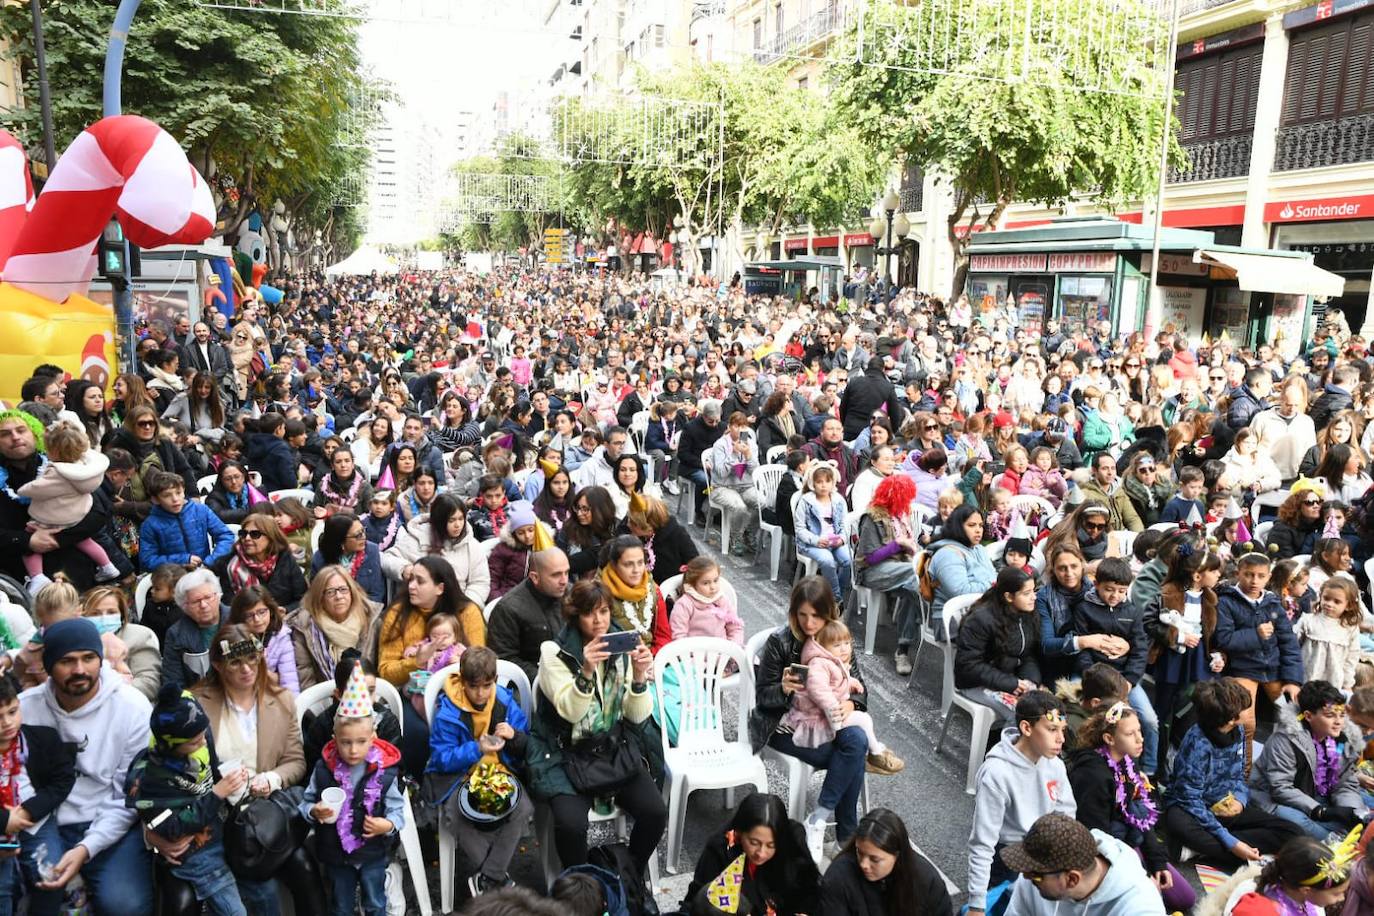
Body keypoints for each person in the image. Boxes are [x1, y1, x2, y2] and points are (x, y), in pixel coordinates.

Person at [526, 579, 666, 879]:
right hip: (565, 752)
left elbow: (636, 717)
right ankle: (583, 885)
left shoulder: (620, 643)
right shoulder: (554, 653)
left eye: (603, 611)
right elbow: (571, 711)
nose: (599, 620)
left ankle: (627, 874)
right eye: (590, 613)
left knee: (655, 812)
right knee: (571, 825)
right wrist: (587, 670)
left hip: (611, 748)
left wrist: (640, 678)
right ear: (575, 616)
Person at [18, 617, 155, 916]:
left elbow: (127, 795)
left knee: (125, 905)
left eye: (88, 658)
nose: (79, 670)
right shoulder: (24, 709)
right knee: (39, 896)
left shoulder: (132, 708)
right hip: (43, 821)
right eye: (67, 661)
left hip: (110, 819)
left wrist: (86, 848)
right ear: (49, 664)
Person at [188, 624, 318, 914]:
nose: (247, 669)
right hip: (219, 814)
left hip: (267, 812)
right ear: (219, 666)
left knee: (305, 869)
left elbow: (296, 761)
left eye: (252, 659)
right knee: (265, 892)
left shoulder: (281, 699)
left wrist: (272, 778)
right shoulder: (197, 704)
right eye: (235, 662)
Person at [749, 577, 870, 858]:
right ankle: (845, 836)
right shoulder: (779, 641)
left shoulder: (835, 637)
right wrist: (783, 690)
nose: (809, 623)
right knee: (853, 754)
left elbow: (861, 685)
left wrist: (853, 704)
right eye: (801, 615)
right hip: (785, 727)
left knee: (855, 741)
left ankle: (819, 819)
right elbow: (762, 698)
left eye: (816, 615)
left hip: (829, 720)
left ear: (829, 612)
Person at [124, 684, 248, 916]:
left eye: (203, 735)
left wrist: (228, 779)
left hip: (220, 837)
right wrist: (217, 794)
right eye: (194, 741)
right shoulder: (153, 779)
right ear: (171, 745)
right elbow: (173, 828)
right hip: (196, 856)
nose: (202, 743)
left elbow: (209, 771)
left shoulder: (196, 739)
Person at [424, 645, 534, 896]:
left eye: (486, 686)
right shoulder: (448, 711)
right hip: (459, 777)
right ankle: (497, 881)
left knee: (522, 807)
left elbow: (526, 742)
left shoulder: (505, 702)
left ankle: (489, 878)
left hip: (499, 772)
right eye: (473, 686)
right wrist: (476, 748)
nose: (480, 693)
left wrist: (514, 735)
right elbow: (441, 759)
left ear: (494, 681)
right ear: (463, 683)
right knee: (458, 814)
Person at [300, 661, 405, 916]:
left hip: (372, 854)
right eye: (346, 742)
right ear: (334, 739)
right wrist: (315, 811)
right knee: (341, 906)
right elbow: (305, 802)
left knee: (376, 903)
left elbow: (398, 810)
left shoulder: (385, 772)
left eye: (361, 742)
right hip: (335, 854)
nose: (353, 749)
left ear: (373, 738)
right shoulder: (324, 769)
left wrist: (387, 825)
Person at [1067, 702, 1195, 912]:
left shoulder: (1126, 762)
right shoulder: (1093, 776)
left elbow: (1140, 814)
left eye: (1139, 731)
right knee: (1150, 900)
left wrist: (1157, 863)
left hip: (1129, 840)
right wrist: (1141, 881)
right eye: (1130, 733)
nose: (1140, 738)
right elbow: (1097, 840)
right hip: (1105, 853)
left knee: (1185, 899)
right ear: (1109, 739)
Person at [1161, 678, 1302, 866]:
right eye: (1244, 707)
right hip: (1196, 811)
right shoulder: (1197, 743)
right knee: (1177, 822)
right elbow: (1189, 799)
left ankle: (1197, 850)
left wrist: (1239, 800)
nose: (1249, 710)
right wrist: (1231, 842)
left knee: (1293, 832)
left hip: (1228, 807)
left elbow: (1239, 776)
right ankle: (1232, 850)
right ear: (1230, 718)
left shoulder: (1240, 731)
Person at [965, 691, 1077, 916]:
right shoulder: (997, 773)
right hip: (1007, 859)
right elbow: (982, 843)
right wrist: (977, 905)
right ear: (1026, 728)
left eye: (1062, 731)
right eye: (1052, 730)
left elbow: (1066, 813)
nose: (1061, 739)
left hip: (1043, 854)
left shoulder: (1054, 764)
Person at [376, 554, 485, 763]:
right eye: (411, 579)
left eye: (420, 581)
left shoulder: (468, 612)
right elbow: (386, 671)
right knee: (418, 732)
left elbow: (480, 662)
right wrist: (415, 662)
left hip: (461, 690)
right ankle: (421, 784)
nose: (411, 586)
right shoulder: (399, 613)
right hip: (414, 692)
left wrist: (458, 663)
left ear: (440, 588)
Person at [1214, 553, 1305, 774]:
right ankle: (1241, 777)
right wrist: (1256, 634)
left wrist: (1293, 680)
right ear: (1238, 574)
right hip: (1243, 669)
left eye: (1260, 576)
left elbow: (1288, 643)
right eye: (1248, 575)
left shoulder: (1273, 603)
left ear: (1268, 577)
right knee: (1245, 723)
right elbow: (1223, 639)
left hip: (1273, 671)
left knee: (1296, 716)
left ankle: (1289, 772)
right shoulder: (1226, 602)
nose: (1254, 581)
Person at [0, 410, 111, 589]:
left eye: (21, 430)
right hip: (20, 579)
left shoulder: (68, 464)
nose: (15, 437)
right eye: (4, 434)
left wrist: (59, 538)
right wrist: (27, 541)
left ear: (35, 433)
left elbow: (99, 513)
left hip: (75, 570)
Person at [784, 617, 904, 775]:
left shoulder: (833, 661)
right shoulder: (818, 664)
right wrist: (835, 715)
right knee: (864, 720)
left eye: (847, 643)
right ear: (823, 647)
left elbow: (837, 681)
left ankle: (873, 750)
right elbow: (820, 691)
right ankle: (875, 754)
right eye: (837, 645)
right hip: (819, 718)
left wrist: (851, 682)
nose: (844, 649)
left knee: (861, 725)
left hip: (828, 713)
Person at [1250, 679, 1367, 840]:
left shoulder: (1342, 740)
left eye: (1341, 715)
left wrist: (1351, 810)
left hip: (1318, 795)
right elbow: (1281, 788)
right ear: (1309, 716)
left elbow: (1345, 783)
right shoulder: (1286, 739)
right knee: (1303, 826)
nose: (1339, 722)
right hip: (1273, 798)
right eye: (1330, 715)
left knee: (1357, 816)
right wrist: (1319, 811)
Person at [1070, 558, 1157, 772]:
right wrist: (1092, 679)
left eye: (1121, 591)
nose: (1114, 596)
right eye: (1109, 589)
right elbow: (1082, 652)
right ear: (1096, 584)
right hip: (1091, 676)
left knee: (1149, 719)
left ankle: (1149, 770)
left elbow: (1140, 650)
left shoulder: (1133, 611)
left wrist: (1129, 682)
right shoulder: (1084, 609)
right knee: (1078, 713)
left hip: (1124, 676)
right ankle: (1076, 762)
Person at [0, 672, 77, 916]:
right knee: (3, 886)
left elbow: (62, 780)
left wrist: (30, 809)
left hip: (35, 820)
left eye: (12, 712)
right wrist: (5, 821)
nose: (7, 723)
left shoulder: (42, 739)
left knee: (51, 874)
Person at [682, 792, 822, 916]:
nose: (761, 853)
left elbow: (810, 892)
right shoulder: (720, 849)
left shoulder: (793, 841)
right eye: (754, 843)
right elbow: (699, 903)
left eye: (771, 845)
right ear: (740, 832)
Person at [999, 812, 1165, 916]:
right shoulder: (1036, 877)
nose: (1026, 876)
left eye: (1036, 875)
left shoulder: (1140, 906)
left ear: (1072, 879)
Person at [818, 807, 951, 916]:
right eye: (860, 852)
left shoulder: (926, 880)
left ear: (897, 855)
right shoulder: (838, 877)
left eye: (874, 859)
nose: (864, 864)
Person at [955, 567, 1043, 730]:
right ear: (1008, 596)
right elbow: (968, 665)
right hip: (975, 683)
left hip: (1009, 677)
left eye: (1034, 591)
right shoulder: (981, 620)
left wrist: (1029, 681)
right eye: (1027, 593)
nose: (1034, 597)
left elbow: (1028, 653)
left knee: (1043, 707)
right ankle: (1004, 752)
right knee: (1024, 715)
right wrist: (1011, 683)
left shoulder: (1027, 613)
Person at [856, 474, 923, 674]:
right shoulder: (873, 517)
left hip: (900, 568)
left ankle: (902, 649)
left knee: (914, 587)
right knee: (915, 577)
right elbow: (870, 558)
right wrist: (898, 545)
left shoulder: (902, 515)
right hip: (873, 571)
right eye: (906, 497)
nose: (908, 502)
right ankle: (929, 623)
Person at [382, 492, 491, 607]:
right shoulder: (419, 537)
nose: (458, 525)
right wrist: (404, 568)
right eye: (451, 520)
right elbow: (388, 558)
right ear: (440, 520)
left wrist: (464, 606)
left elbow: (480, 583)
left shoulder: (471, 545)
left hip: (458, 606)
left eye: (461, 519)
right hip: (419, 605)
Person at [287, 566, 378, 691]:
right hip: (325, 699)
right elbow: (306, 678)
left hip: (369, 697)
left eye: (343, 589)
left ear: (352, 591)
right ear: (320, 598)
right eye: (330, 592)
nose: (339, 596)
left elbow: (380, 673)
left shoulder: (371, 620)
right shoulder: (305, 628)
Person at [488, 547, 571, 683]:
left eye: (567, 573)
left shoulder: (572, 594)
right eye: (556, 575)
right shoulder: (508, 609)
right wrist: (547, 679)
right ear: (535, 577)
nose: (564, 581)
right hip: (532, 682)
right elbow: (505, 659)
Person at [140, 469, 235, 573]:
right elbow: (147, 560)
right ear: (155, 499)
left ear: (184, 491)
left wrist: (211, 562)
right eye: (167, 495)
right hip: (174, 577)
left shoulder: (200, 510)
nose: (175, 499)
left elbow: (226, 536)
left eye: (178, 492)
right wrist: (182, 560)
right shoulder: (150, 525)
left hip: (205, 571)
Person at [927, 505, 997, 638]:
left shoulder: (979, 549)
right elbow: (960, 592)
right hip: (953, 618)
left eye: (980, 525)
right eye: (972, 525)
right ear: (958, 527)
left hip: (980, 612)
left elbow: (993, 575)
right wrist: (994, 586)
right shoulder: (947, 554)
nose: (978, 530)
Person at [81, 585, 161, 701]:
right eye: (95, 613)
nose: (104, 618)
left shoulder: (139, 636)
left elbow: (149, 683)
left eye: (111, 612)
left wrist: (110, 695)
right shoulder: (77, 640)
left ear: (122, 615)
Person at [215, 512, 307, 609]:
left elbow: (303, 598)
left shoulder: (285, 559)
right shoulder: (229, 565)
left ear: (270, 537)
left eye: (255, 534)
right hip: (247, 619)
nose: (247, 538)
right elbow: (229, 605)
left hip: (285, 618)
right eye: (243, 533)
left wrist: (285, 611)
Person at [598, 535, 670, 652]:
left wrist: (651, 656)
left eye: (640, 563)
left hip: (652, 657)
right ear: (614, 565)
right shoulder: (599, 594)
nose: (636, 570)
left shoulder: (653, 589)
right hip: (617, 663)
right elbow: (599, 643)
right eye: (628, 564)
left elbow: (663, 635)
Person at [161, 568, 229, 692]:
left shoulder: (238, 618)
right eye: (196, 602)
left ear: (218, 596)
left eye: (208, 597)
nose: (203, 605)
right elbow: (173, 682)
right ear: (184, 606)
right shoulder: (175, 634)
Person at [706, 411, 763, 557]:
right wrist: (733, 454)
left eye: (743, 427)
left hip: (745, 486)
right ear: (730, 427)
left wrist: (748, 455)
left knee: (762, 503)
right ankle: (735, 537)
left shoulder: (750, 444)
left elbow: (755, 471)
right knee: (740, 507)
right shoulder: (720, 445)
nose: (740, 430)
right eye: (737, 426)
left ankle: (749, 531)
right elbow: (720, 473)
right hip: (722, 487)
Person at [795, 461, 852, 605]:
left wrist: (843, 540)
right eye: (819, 482)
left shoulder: (839, 500)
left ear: (833, 482)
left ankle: (837, 591)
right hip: (812, 543)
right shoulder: (806, 501)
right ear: (812, 483)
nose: (823, 485)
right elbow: (800, 529)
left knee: (848, 561)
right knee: (828, 561)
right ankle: (836, 598)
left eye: (827, 481)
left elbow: (846, 525)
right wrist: (816, 540)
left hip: (835, 541)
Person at [1293, 577, 1362, 693]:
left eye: (1337, 601)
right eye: (1326, 598)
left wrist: (1347, 684)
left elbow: (1351, 658)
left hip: (1333, 684)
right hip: (1306, 680)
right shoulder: (1308, 620)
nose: (1329, 604)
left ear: (1349, 605)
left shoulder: (1350, 628)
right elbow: (1293, 646)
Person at [228, 585, 300, 693]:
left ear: (270, 610)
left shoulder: (281, 636)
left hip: (273, 696)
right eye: (249, 615)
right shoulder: (232, 637)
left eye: (262, 612)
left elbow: (289, 682)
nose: (257, 619)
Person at [621, 492, 699, 586]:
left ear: (647, 527)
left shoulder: (677, 534)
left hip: (670, 589)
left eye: (633, 523)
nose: (628, 524)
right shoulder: (628, 529)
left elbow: (696, 564)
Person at [312, 512, 386, 606]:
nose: (364, 537)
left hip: (364, 610)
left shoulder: (372, 551)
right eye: (357, 535)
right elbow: (317, 597)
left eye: (363, 531)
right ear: (341, 541)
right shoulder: (320, 558)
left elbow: (376, 594)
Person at [557, 486, 618, 578]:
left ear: (600, 509)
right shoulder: (569, 529)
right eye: (577, 507)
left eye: (585, 509)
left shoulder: (615, 529)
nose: (579, 513)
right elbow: (560, 564)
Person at [1078, 453, 1144, 533]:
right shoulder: (1084, 494)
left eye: (1113, 468)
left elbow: (1132, 518)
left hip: (1122, 535)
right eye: (1105, 468)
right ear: (1094, 470)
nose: (1110, 472)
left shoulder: (1119, 491)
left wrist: (1138, 536)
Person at [312, 447, 373, 519]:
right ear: (332, 466)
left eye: (347, 461)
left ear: (353, 464)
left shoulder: (365, 487)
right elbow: (315, 510)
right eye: (338, 462)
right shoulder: (323, 486)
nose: (343, 465)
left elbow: (370, 515)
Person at [204, 460, 268, 525]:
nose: (234, 482)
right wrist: (250, 512)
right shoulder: (214, 497)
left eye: (237, 477)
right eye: (228, 479)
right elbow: (217, 515)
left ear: (243, 477)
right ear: (221, 480)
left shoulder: (258, 491)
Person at [1269, 487, 1325, 560]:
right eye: (1309, 503)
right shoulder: (1281, 530)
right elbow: (1284, 561)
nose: (1316, 506)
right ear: (1297, 506)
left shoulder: (1321, 527)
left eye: (1319, 502)